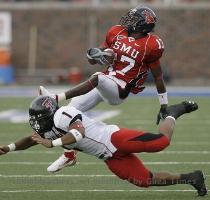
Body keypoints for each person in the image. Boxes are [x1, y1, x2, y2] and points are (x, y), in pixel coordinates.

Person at [39, 6, 169, 172]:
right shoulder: (117, 32)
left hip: (118, 90)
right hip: (104, 81)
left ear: (142, 24)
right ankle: (68, 156)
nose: (128, 21)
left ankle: (55, 98)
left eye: (134, 19)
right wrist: (95, 55)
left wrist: (164, 105)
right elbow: (99, 57)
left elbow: (158, 77)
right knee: (68, 113)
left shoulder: (151, 45)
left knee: (98, 77)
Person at [0, 96, 207, 196]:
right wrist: (8, 148)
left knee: (161, 142)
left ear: (48, 112)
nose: (36, 122)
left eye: (38, 117)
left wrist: (52, 143)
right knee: (144, 180)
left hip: (114, 138)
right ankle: (192, 177)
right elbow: (31, 139)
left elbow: (78, 133)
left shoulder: (63, 114)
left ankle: (174, 111)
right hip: (109, 156)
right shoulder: (46, 127)